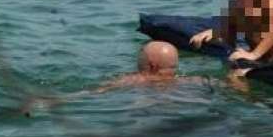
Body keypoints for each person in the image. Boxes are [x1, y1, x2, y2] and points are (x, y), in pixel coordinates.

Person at [22, 41, 201, 116]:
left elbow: (89, 94)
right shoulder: (191, 81)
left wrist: (44, 101)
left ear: (152, 65)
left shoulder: (133, 80)